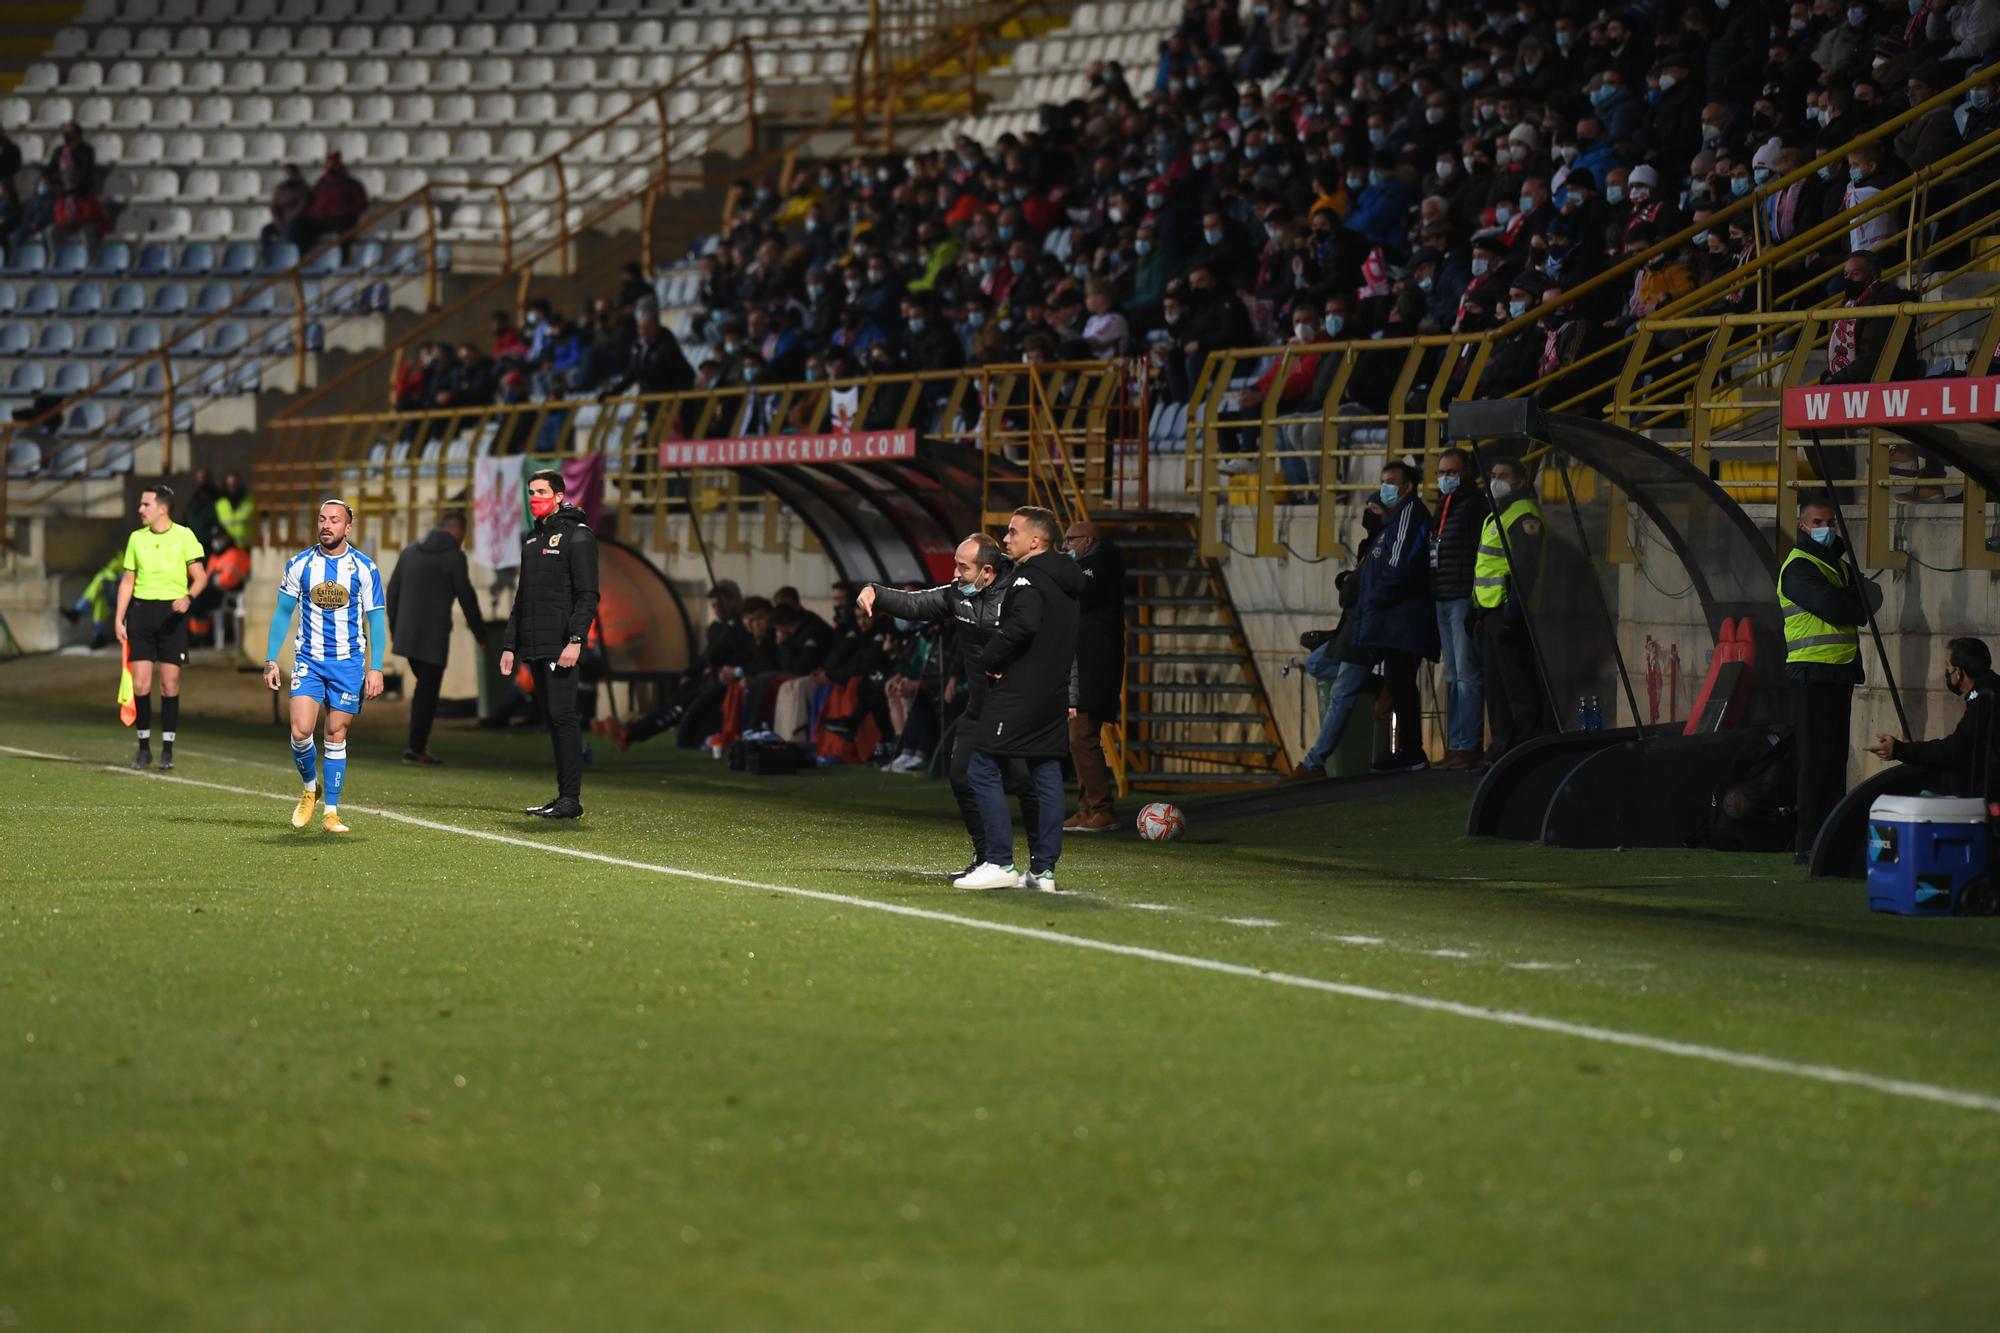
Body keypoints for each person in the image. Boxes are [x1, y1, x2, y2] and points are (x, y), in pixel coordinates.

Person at [858, 534, 1044, 875]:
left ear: (987, 571)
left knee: (1023, 782)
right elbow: (916, 604)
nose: (955, 573)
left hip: (1018, 707)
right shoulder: (958, 593)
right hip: (980, 706)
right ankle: (987, 858)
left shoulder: (1021, 593)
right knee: (960, 776)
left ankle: (1040, 865)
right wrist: (876, 592)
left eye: (962, 566)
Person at [954, 506, 1083, 892]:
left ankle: (999, 862)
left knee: (980, 767)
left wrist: (991, 659)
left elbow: (1023, 625)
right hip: (1053, 692)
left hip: (1020, 691)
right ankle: (1043, 872)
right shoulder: (1069, 580)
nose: (1006, 539)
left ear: (1035, 540)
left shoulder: (1029, 577)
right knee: (1045, 773)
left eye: (1012, 532)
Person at [262, 499, 385, 835]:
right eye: (322, 519)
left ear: (348, 527)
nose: (326, 525)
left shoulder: (364, 568)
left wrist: (376, 667)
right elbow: (283, 613)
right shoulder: (300, 564)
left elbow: (375, 620)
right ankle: (309, 787)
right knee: (301, 730)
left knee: (335, 733)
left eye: (335, 520)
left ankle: (331, 811)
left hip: (348, 664)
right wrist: (271, 659)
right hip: (310, 661)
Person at [1782, 492, 1877, 862]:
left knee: (1835, 759)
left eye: (1828, 523)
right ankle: (1807, 843)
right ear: (1802, 526)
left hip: (1838, 671)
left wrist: (1852, 601)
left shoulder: (1835, 564)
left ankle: (1831, 837)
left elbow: (1867, 601)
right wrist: (1852, 601)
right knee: (1816, 761)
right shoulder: (1799, 566)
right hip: (1812, 673)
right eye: (1816, 523)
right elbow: (1839, 607)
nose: (1823, 529)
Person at [500, 470, 600, 819]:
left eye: (541, 491)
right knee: (553, 719)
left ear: (559, 495)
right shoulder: (531, 539)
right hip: (536, 645)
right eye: (531, 491)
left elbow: (588, 594)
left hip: (561, 645)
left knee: (563, 717)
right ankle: (564, 796)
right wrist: (510, 645)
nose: (534, 497)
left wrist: (575, 639)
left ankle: (571, 799)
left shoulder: (578, 536)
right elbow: (522, 597)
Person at [1351, 461, 1439, 773]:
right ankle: (1406, 750)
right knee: (1398, 683)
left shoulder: (1409, 515)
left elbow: (1398, 569)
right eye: (1383, 481)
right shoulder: (1394, 521)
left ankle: (1412, 752)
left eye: (1391, 481)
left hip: (1403, 618)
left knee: (1401, 684)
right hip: (1395, 619)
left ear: (1407, 487)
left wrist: (1372, 602)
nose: (1385, 486)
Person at [114, 485, 210, 771]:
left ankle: (167, 749)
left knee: (169, 685)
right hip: (142, 613)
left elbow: (201, 577)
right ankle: (143, 748)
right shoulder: (136, 539)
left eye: (145, 505)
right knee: (141, 684)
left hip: (172, 615)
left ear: (162, 508)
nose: (140, 510)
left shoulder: (184, 536)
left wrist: (189, 597)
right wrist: (119, 618)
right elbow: (128, 581)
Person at [386, 509, 489, 766]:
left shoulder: (409, 552)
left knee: (424, 690)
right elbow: (466, 597)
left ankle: (417, 744)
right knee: (427, 694)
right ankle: (416, 747)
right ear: (458, 531)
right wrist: (481, 634)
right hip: (433, 638)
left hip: (407, 636)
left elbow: (392, 591)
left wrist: (395, 628)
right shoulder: (454, 557)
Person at [1472, 456, 1549, 764]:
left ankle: (1524, 753)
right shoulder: (1496, 515)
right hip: (1490, 612)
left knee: (1519, 688)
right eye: (1493, 473)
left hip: (1510, 612)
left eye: (1503, 474)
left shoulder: (1524, 514)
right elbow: (1486, 566)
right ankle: (1501, 751)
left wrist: (1513, 615)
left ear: (1520, 481)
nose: (1496, 480)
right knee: (1496, 688)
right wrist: (1474, 609)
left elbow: (1525, 570)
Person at [1866, 637, 2000, 805]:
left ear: (1958, 673)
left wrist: (1899, 749)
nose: (1946, 672)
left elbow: (1952, 750)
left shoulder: (1984, 699)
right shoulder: (1990, 689)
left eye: (1948, 667)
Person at [1062, 520, 1125, 832]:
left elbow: (1080, 597)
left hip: (1095, 664)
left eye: (1070, 540)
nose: (1066, 546)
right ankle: (1088, 808)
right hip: (1086, 663)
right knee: (1079, 737)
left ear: (1087, 541)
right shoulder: (1097, 564)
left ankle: (1101, 807)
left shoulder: (1099, 566)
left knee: (1082, 737)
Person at [1429, 448, 1488, 768]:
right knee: (1452, 675)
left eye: (1451, 472)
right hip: (1443, 596)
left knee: (1467, 675)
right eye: (1441, 473)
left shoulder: (1473, 505)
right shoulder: (1444, 506)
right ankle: (1456, 744)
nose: (1445, 478)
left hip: (1462, 598)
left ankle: (1469, 745)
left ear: (1466, 473)